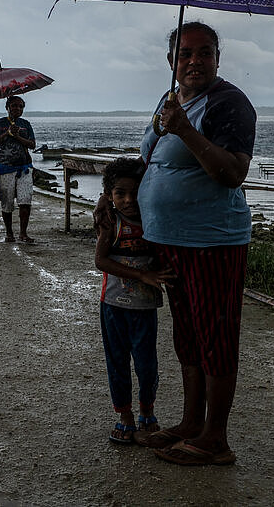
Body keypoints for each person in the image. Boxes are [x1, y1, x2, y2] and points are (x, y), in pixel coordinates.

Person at [132, 21, 256, 467]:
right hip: (170, 240)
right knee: (188, 336)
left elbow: (232, 173)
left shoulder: (229, 104)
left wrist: (185, 130)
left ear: (218, 59)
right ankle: (190, 424)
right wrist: (115, 202)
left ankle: (216, 439)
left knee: (216, 336)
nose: (194, 61)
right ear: (171, 63)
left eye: (205, 53)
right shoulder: (169, 101)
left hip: (212, 241)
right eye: (185, 54)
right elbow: (150, 162)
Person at [95, 157, 174, 445]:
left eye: (135, 192)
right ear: (109, 196)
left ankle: (147, 413)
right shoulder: (110, 221)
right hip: (114, 306)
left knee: (146, 363)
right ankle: (125, 416)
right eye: (120, 194)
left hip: (145, 308)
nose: (129, 200)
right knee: (117, 362)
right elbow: (100, 260)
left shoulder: (153, 219)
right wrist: (142, 275)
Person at [0, 95, 36, 242]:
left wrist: (18, 136)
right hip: (5, 168)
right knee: (7, 202)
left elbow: (32, 144)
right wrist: (7, 133)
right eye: (14, 105)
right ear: (7, 107)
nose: (17, 108)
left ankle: (23, 233)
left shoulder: (25, 124)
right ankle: (9, 233)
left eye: (20, 106)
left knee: (25, 201)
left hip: (24, 168)